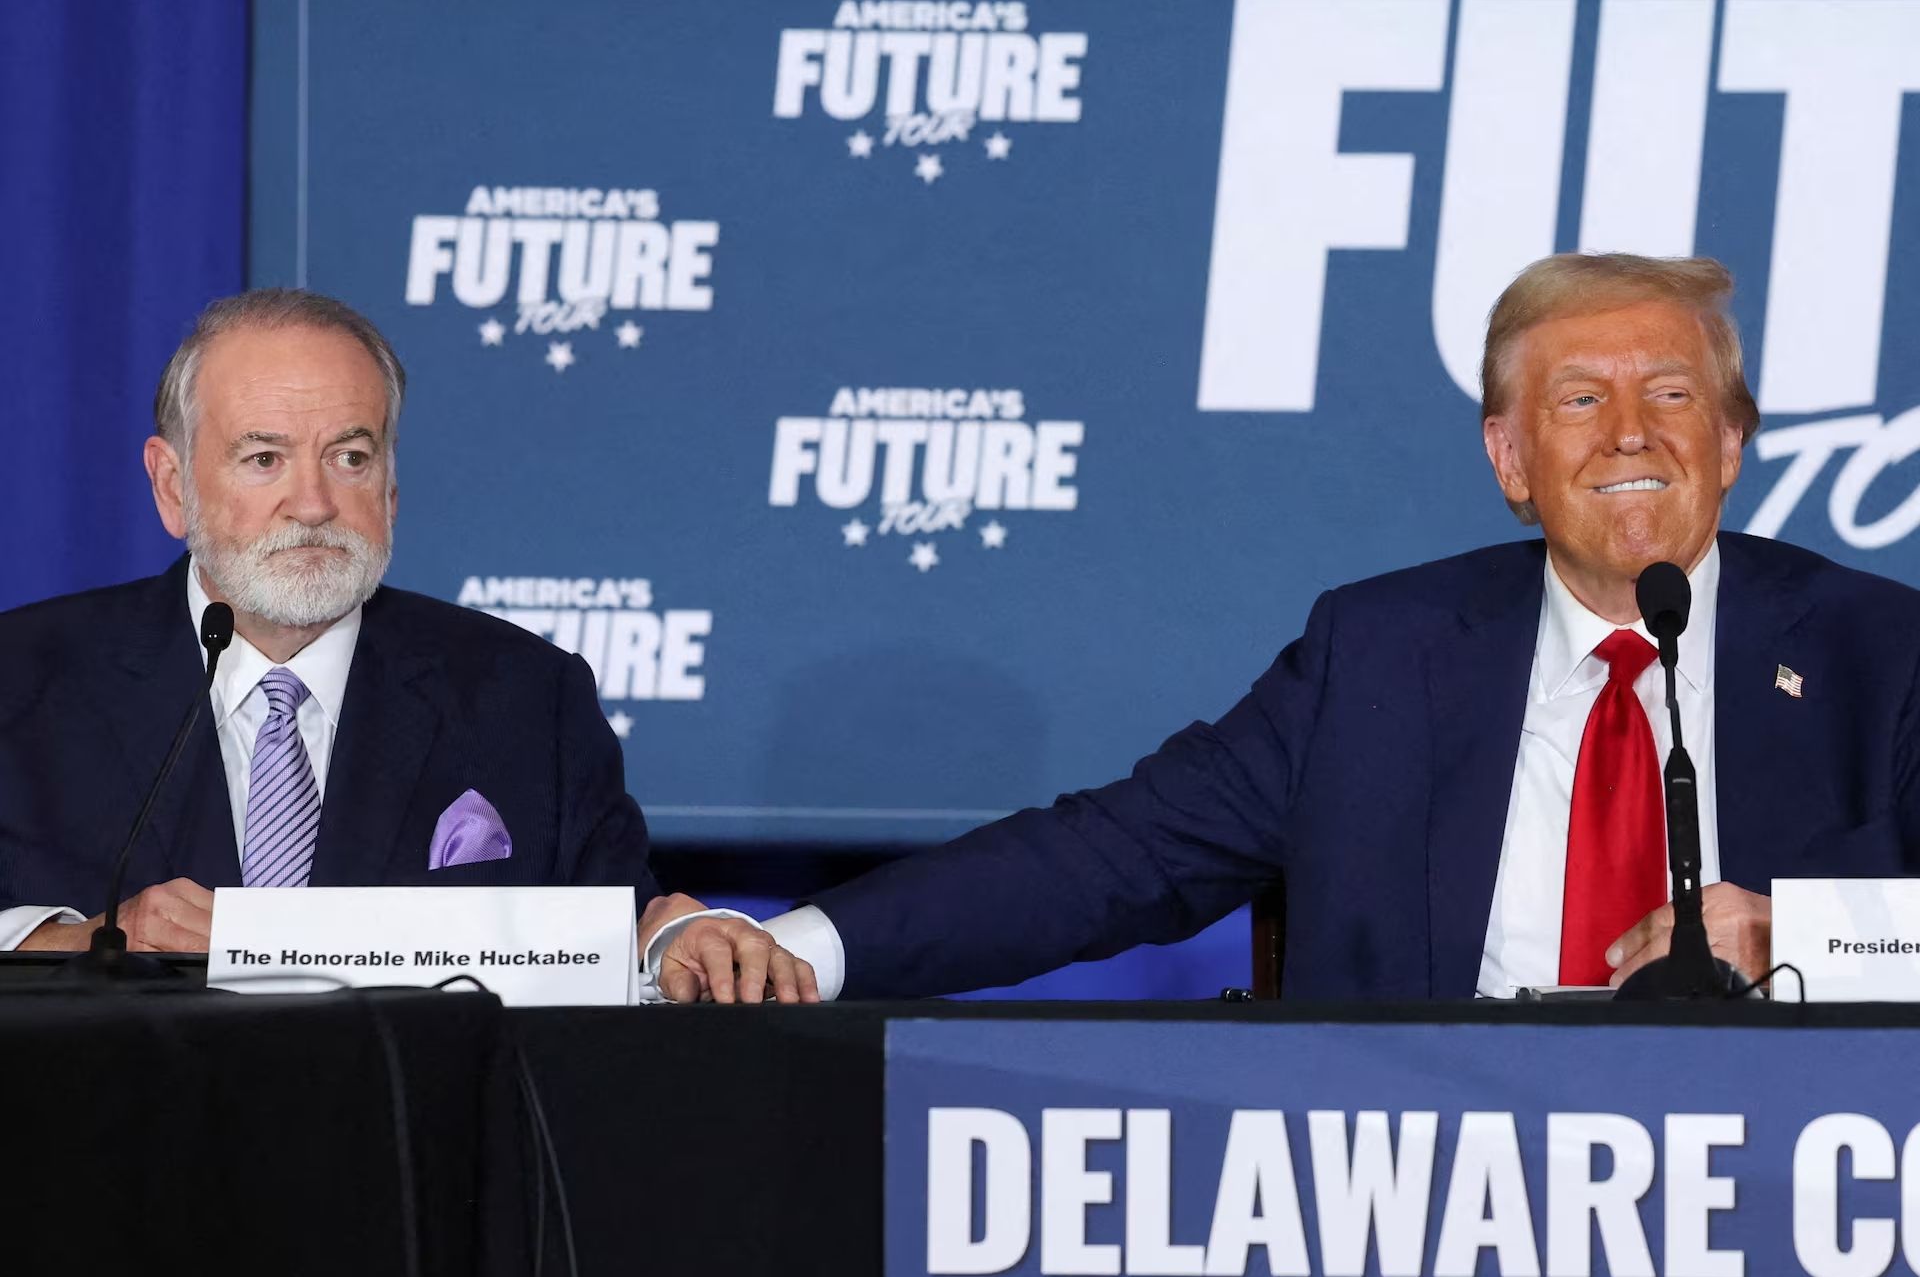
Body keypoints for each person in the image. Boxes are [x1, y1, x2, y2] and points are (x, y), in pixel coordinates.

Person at [764, 253, 1920, 1000]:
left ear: (1728, 444)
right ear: (1509, 460)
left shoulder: (1882, 654)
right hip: (1426, 1195)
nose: (1630, 433)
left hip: (1775, 1196)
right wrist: (802, 948)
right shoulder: (1379, 654)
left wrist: (1813, 940)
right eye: (1579, 400)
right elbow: (1114, 857)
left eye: (1671, 395)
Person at [0, 288, 816, 1004]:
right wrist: (73, 945)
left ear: (390, 486)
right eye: (264, 458)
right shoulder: (23, 680)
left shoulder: (526, 696)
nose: (313, 502)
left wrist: (675, 940)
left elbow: (617, 930)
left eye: (350, 457)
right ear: (173, 486)